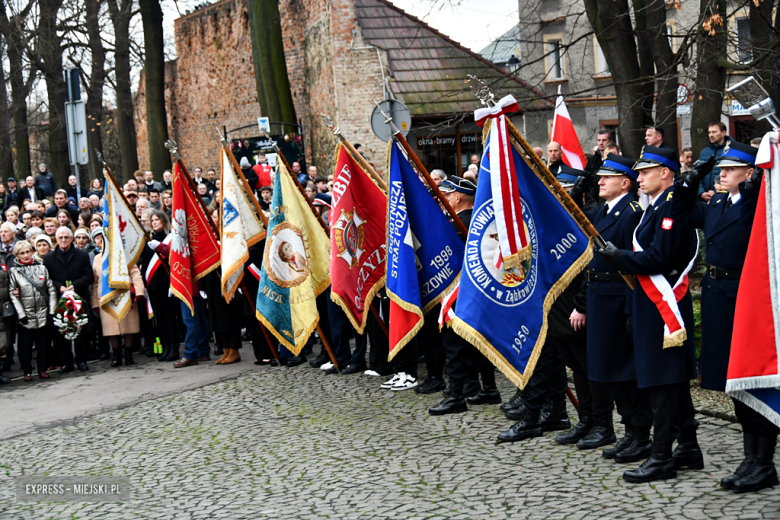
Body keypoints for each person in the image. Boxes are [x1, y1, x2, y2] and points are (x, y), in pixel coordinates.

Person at [675, 141, 775, 492]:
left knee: (752, 379)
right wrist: (693, 177)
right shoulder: (717, 202)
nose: (722, 174)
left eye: (731, 169)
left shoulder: (756, 202)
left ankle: (763, 461)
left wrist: (755, 182)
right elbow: (680, 211)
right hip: (717, 299)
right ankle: (750, 458)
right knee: (733, 382)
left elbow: (756, 203)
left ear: (749, 172)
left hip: (745, 298)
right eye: (721, 168)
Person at [598, 145, 700, 483]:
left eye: (645, 172)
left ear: (665, 173)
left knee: (662, 381)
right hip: (649, 303)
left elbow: (659, 259)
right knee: (669, 379)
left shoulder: (670, 206)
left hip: (664, 305)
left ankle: (661, 456)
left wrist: (619, 257)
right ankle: (688, 446)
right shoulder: (656, 206)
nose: (638, 178)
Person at [44, 226, 95, 373]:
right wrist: (59, 287)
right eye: (60, 238)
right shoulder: (49, 258)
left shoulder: (82, 255)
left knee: (80, 329)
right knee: (62, 331)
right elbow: (47, 279)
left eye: (66, 237)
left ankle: (81, 360)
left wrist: (75, 285)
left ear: (72, 239)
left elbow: (88, 276)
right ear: (56, 239)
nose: (63, 240)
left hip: (79, 297)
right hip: (59, 298)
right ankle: (67, 362)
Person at [9, 240, 57, 381]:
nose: (25, 255)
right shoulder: (14, 271)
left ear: (32, 252)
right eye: (22, 253)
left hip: (42, 312)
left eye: (27, 252)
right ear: (17, 255)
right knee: (25, 347)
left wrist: (52, 311)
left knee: (43, 345)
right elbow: (12, 294)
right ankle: (27, 371)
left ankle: (42, 369)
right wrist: (21, 314)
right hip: (25, 315)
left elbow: (51, 289)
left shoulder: (42, 268)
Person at [91, 243, 145, 367]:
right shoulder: (98, 258)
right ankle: (116, 355)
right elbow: (94, 283)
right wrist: (94, 302)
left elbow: (135, 274)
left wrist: (139, 291)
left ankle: (128, 354)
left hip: (125, 295)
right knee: (111, 329)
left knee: (128, 327)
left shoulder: (125, 255)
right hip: (106, 297)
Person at [697, 121, 732, 201]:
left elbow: (731, 175)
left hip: (724, 197)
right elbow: (698, 173)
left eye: (714, 132)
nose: (711, 135)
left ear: (723, 133)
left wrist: (716, 191)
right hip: (704, 198)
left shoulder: (730, 151)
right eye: (709, 132)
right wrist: (701, 192)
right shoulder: (704, 152)